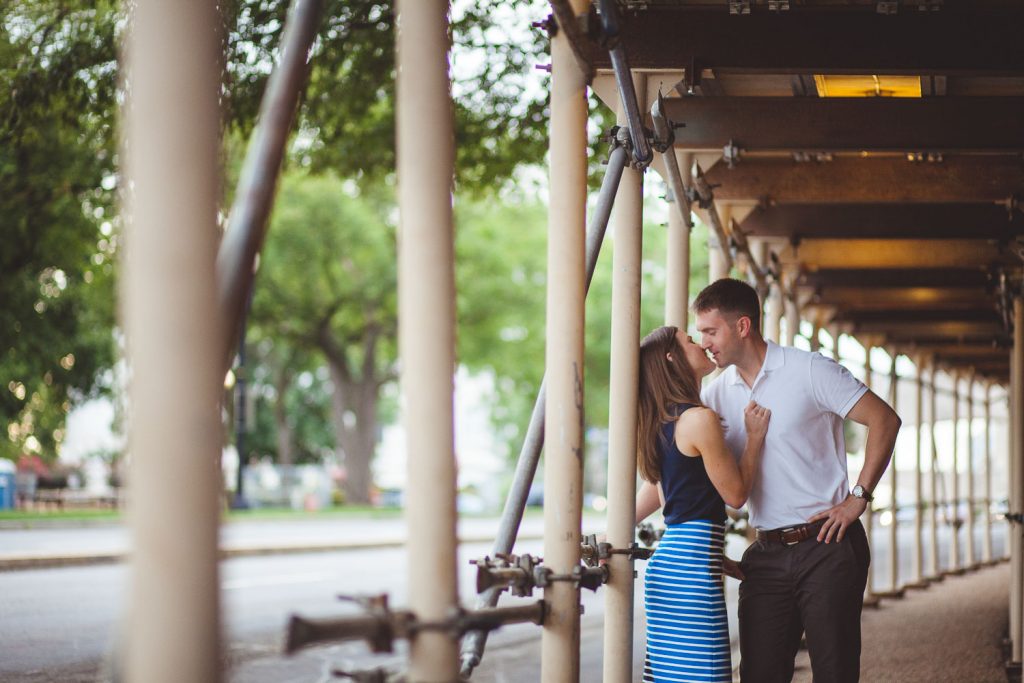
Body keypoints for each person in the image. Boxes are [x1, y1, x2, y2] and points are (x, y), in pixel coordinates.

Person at [692, 278, 900, 683]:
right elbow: (707, 478)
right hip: (765, 552)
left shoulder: (809, 370)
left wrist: (858, 497)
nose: (704, 343)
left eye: (710, 331)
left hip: (828, 543)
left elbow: (885, 419)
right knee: (759, 675)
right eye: (700, 333)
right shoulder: (715, 397)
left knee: (834, 672)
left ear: (742, 326)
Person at [634, 325, 771, 683]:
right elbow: (735, 495)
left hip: (678, 562)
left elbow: (674, 497)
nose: (701, 345)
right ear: (671, 358)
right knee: (706, 675)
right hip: (688, 571)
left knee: (677, 676)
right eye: (690, 341)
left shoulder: (664, 421)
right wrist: (755, 438)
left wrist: (713, 555)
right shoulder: (699, 419)